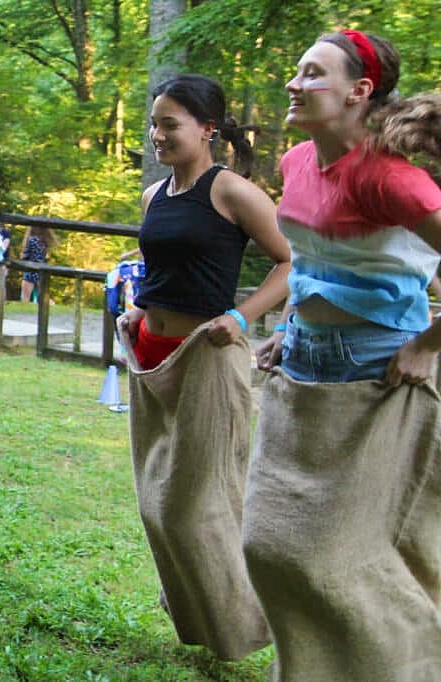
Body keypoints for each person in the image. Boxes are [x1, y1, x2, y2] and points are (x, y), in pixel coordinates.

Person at [243, 32, 441, 679]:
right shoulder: (296, 162)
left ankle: (411, 659)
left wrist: (427, 344)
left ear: (359, 91)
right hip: (301, 365)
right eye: (296, 72)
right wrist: (288, 322)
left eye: (312, 73)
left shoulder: (394, 181)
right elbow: (309, 257)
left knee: (332, 560)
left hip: (377, 374)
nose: (294, 85)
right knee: (268, 546)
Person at [116, 74, 291, 661]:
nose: (157, 134)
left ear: (207, 129)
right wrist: (139, 307)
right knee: (155, 504)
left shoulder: (233, 192)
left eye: (170, 124)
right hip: (149, 356)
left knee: (195, 505)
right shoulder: (154, 195)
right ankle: (202, 624)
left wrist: (240, 320)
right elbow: (162, 267)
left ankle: (250, 627)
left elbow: (290, 264)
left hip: (208, 357)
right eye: (154, 123)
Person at [19, 226, 58, 302]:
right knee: (42, 296)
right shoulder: (44, 242)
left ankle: (24, 312)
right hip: (40, 270)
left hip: (30, 270)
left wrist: (23, 255)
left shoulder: (31, 240)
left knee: (25, 296)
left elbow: (25, 256)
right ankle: (51, 305)